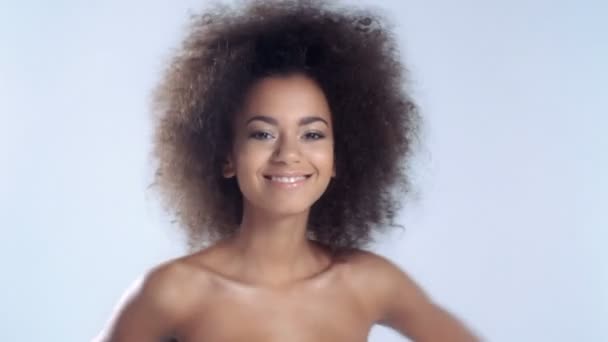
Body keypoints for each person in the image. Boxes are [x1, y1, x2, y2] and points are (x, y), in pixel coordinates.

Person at [97, 0, 480, 341]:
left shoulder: (369, 283)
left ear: (339, 158)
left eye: (312, 134)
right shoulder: (172, 292)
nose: (288, 154)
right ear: (226, 155)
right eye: (262, 134)